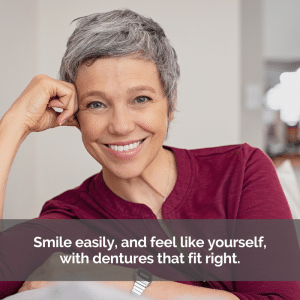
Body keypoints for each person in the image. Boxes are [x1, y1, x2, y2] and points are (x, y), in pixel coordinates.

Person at [0, 9, 299, 299]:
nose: (120, 126)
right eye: (96, 104)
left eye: (140, 99)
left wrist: (121, 281)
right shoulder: (68, 220)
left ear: (169, 104)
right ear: (74, 115)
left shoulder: (241, 169)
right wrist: (15, 124)